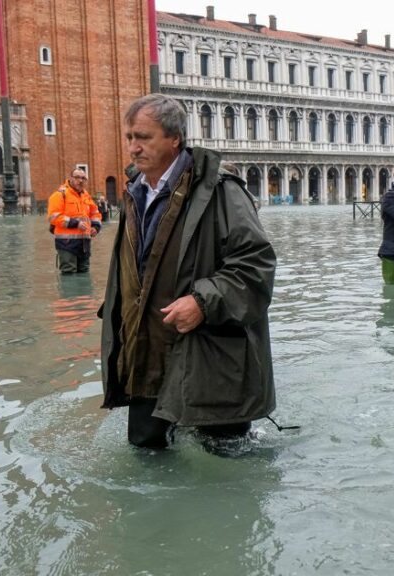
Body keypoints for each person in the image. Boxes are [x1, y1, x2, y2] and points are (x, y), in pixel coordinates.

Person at [99, 94, 277, 450]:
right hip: (145, 355)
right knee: (147, 457)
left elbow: (256, 264)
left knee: (224, 466)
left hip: (209, 358)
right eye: (129, 137)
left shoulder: (222, 192)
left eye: (143, 137)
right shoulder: (135, 193)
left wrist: (202, 302)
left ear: (174, 138)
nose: (133, 148)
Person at [47, 168, 101, 274]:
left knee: (84, 272)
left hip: (84, 243)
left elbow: (95, 213)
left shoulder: (86, 196)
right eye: (77, 177)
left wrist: (95, 227)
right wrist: (76, 223)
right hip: (66, 244)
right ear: (70, 178)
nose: (80, 180)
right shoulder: (59, 195)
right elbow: (54, 217)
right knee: (69, 273)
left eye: (83, 178)